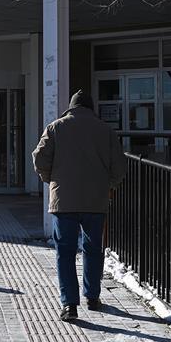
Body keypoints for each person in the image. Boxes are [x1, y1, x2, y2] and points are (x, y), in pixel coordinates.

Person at [32, 90, 126, 322]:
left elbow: (39, 158)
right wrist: (108, 185)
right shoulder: (106, 131)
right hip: (96, 201)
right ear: (91, 108)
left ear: (71, 107)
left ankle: (69, 305)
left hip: (64, 201)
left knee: (65, 253)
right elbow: (120, 167)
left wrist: (50, 179)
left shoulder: (55, 127)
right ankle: (92, 297)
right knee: (93, 249)